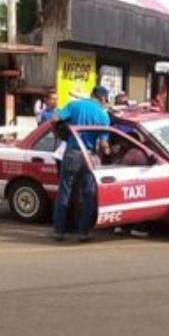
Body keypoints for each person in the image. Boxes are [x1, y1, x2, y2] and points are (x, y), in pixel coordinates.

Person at [51, 86, 111, 243]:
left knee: (64, 192)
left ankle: (59, 231)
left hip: (72, 153)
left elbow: (55, 118)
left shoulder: (74, 105)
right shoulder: (103, 116)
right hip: (90, 157)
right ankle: (83, 232)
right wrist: (109, 150)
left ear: (92, 95)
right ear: (103, 99)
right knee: (88, 195)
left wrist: (59, 131)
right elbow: (104, 144)